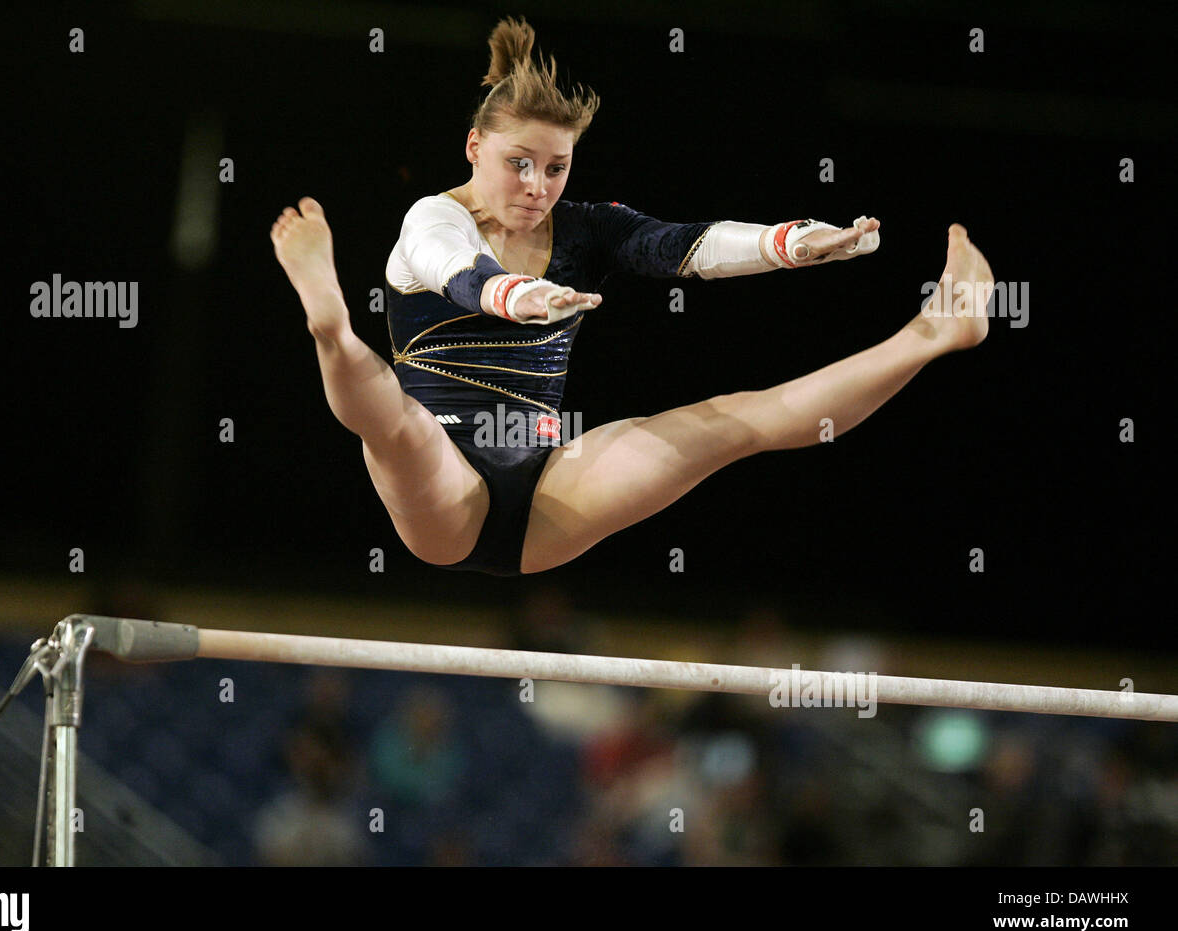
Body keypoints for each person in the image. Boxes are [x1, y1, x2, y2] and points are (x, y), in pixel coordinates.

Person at [270, 16, 992, 576]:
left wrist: (794, 242)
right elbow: (454, 268)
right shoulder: (433, 218)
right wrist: (518, 295)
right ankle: (329, 325)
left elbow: (683, 247)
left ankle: (932, 333)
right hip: (444, 494)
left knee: (732, 424)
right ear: (472, 148)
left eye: (556, 167)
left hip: (549, 491)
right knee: (399, 426)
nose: (537, 185)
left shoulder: (587, 229)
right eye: (518, 163)